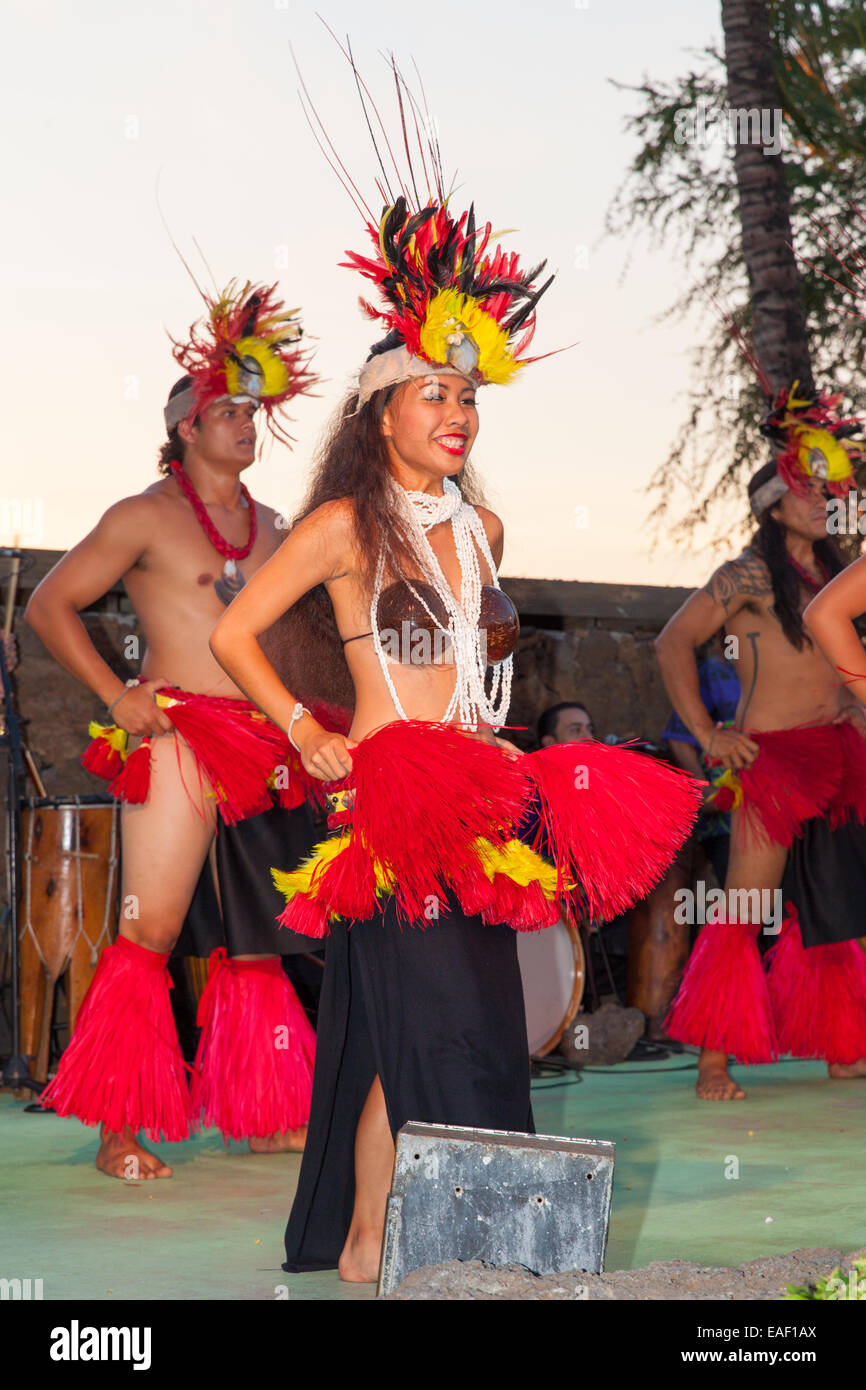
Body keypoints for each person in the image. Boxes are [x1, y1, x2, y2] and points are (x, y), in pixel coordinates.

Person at [208, 77, 701, 1282]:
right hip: (387, 794)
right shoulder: (338, 526)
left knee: (422, 1028)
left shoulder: (479, 529)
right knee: (441, 1023)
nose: (459, 410)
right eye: (435, 391)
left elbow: (472, 667)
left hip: (481, 797)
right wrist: (299, 730)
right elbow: (237, 635)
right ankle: (415, 1232)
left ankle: (378, 1228)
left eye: (469, 393)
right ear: (382, 412)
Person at [29, 281, 321, 1178]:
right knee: (147, 932)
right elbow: (51, 605)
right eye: (224, 409)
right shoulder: (143, 516)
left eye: (250, 409)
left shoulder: (281, 529)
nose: (244, 421)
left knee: (262, 932)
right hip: (181, 738)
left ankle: (265, 1111)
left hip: (266, 746)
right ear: (185, 427)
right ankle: (118, 1125)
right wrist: (117, 694)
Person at [657, 386, 866, 1102]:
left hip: (839, 753)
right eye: (807, 489)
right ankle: (713, 1061)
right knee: (747, 906)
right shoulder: (745, 576)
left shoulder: (837, 579)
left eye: (828, 489)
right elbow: (672, 642)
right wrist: (710, 733)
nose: (822, 498)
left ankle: (842, 1047)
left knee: (836, 903)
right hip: (773, 760)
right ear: (773, 504)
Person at [663, 637, 741, 885]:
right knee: (749, 906)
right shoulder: (715, 672)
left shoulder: (781, 672)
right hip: (727, 817)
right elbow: (679, 734)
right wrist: (704, 789)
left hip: (781, 810)